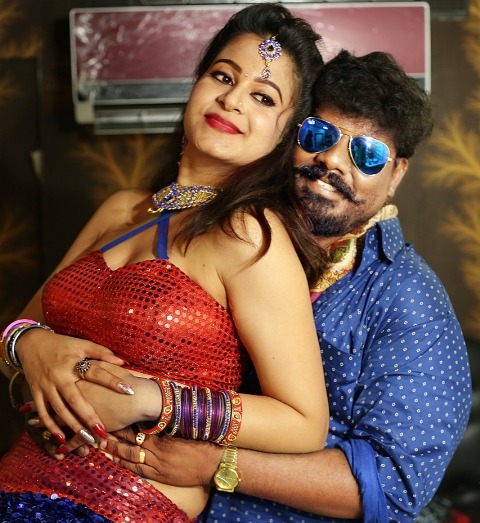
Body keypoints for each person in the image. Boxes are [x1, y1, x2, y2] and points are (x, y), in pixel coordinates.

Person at [103, 50, 473, 522]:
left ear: (396, 173)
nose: (331, 160)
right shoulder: (231, 235)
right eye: (319, 135)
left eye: (367, 154)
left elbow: (392, 486)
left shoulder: (407, 298)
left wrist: (219, 465)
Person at [0, 4, 330, 522]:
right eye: (223, 76)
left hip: (126, 508)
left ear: (284, 134)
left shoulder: (249, 234)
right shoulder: (121, 209)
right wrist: (33, 347)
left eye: (263, 97)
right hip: (14, 483)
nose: (232, 99)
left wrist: (150, 399)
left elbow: (304, 422)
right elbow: (16, 331)